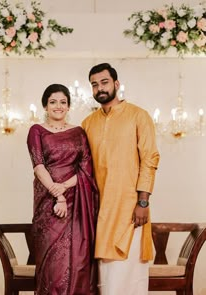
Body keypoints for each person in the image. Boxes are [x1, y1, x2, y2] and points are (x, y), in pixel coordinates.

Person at [82, 63, 160, 295]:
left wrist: (142, 202)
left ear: (116, 84)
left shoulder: (138, 116)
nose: (99, 88)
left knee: (128, 277)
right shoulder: (88, 124)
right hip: (99, 212)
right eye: (94, 85)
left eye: (104, 82)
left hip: (130, 211)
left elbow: (150, 159)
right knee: (106, 280)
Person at [27, 84, 99, 295]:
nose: (58, 106)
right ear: (45, 105)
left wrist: (64, 188)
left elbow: (86, 169)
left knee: (76, 258)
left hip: (76, 203)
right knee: (51, 264)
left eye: (63, 102)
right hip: (47, 206)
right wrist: (56, 194)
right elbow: (38, 165)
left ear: (68, 106)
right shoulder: (37, 131)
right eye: (53, 102)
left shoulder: (79, 133)